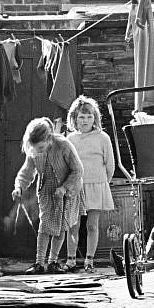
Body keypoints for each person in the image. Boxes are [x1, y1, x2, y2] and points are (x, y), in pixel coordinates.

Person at [12, 117, 84, 274]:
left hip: (68, 191)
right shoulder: (34, 152)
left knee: (61, 228)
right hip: (47, 190)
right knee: (45, 227)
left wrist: (65, 187)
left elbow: (78, 169)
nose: (38, 150)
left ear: (49, 138)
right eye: (35, 148)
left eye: (41, 147)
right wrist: (19, 187)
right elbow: (27, 172)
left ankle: (53, 262)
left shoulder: (63, 145)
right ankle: (39, 263)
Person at [64, 96, 115, 273]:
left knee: (92, 225)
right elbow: (66, 164)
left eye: (89, 117)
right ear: (74, 119)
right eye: (81, 117)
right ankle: (71, 259)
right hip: (76, 187)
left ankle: (89, 260)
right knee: (73, 224)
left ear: (95, 118)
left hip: (96, 186)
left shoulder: (103, 138)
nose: (85, 121)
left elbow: (110, 165)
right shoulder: (70, 139)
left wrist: (102, 184)